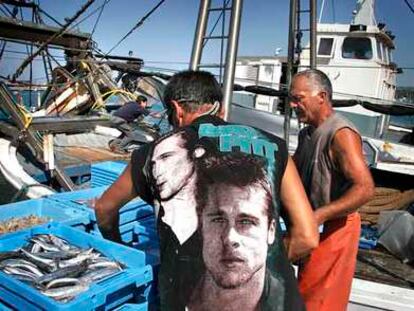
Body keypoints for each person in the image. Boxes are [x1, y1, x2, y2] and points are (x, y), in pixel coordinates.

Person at [95, 70, 318, 311]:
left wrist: (117, 247)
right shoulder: (276, 146)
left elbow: (104, 208)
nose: (232, 239)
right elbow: (307, 236)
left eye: (246, 222)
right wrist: (260, 257)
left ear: (176, 110)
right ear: (220, 109)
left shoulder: (154, 152)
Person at [290, 69, 375, 311]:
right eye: (292, 100)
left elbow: (365, 189)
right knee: (303, 292)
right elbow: (292, 172)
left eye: (299, 99)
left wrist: (318, 216)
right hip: (313, 226)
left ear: (321, 96)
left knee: (321, 301)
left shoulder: (341, 134)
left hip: (336, 228)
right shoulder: (307, 133)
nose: (293, 105)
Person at [187, 153, 284, 311]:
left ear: (270, 231)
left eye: (246, 222)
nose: (230, 238)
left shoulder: (286, 302)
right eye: (218, 220)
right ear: (200, 226)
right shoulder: (177, 295)